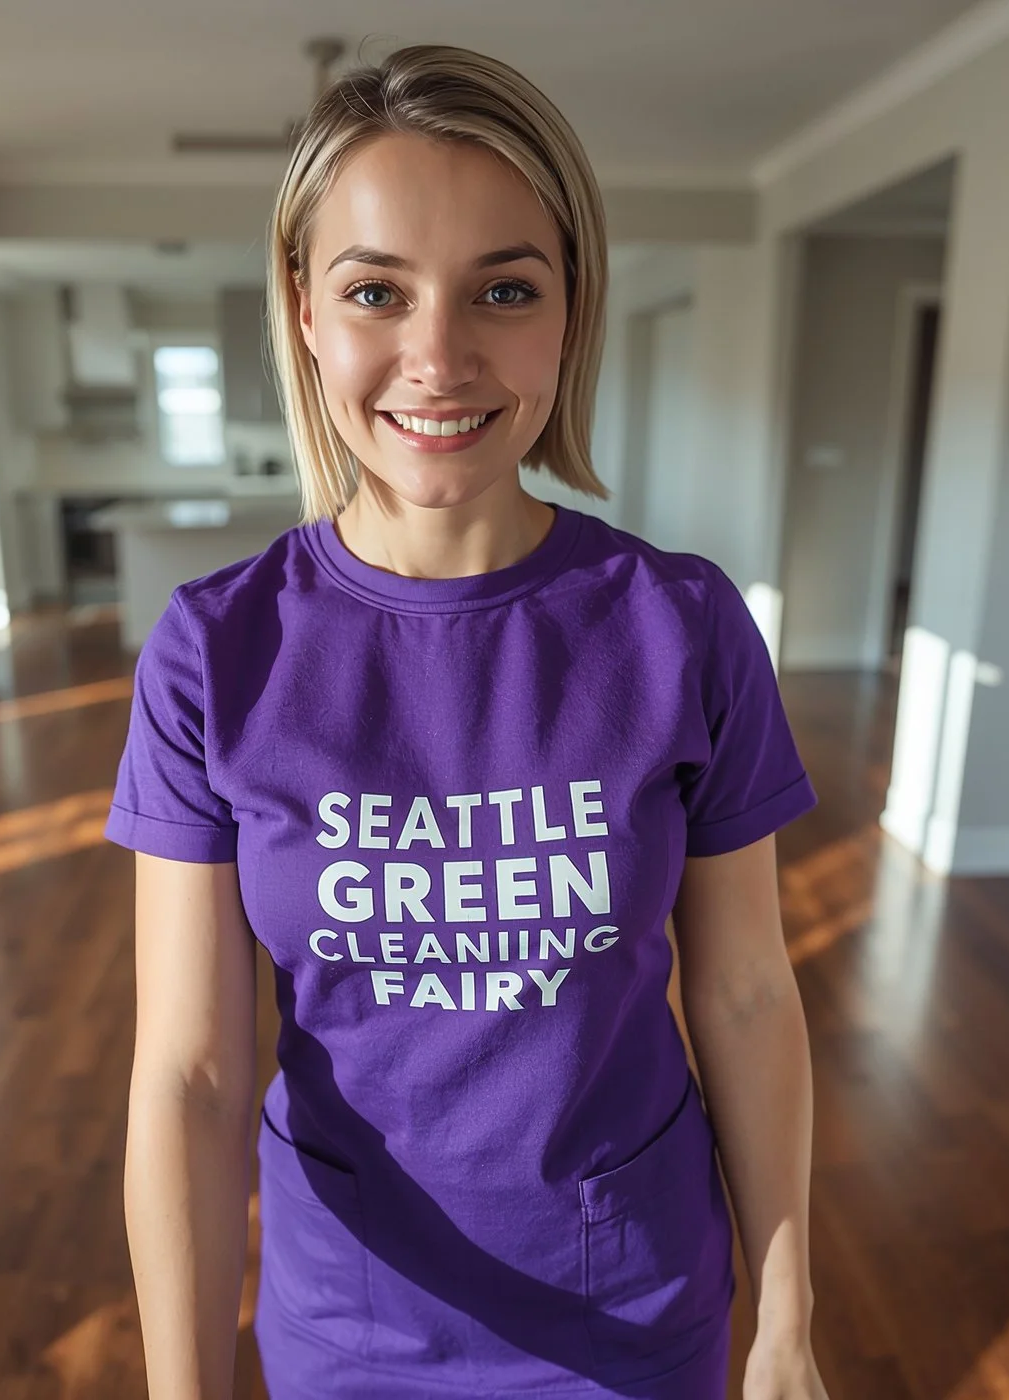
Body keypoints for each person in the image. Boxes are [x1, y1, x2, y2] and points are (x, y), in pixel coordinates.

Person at [108, 42, 830, 1400]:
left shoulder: (682, 626)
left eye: (504, 289)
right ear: (306, 312)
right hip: (351, 1316)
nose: (438, 358)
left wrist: (787, 1320)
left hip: (633, 1303)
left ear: (570, 314)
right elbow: (192, 1076)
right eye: (376, 291)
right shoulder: (215, 652)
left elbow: (744, 993)